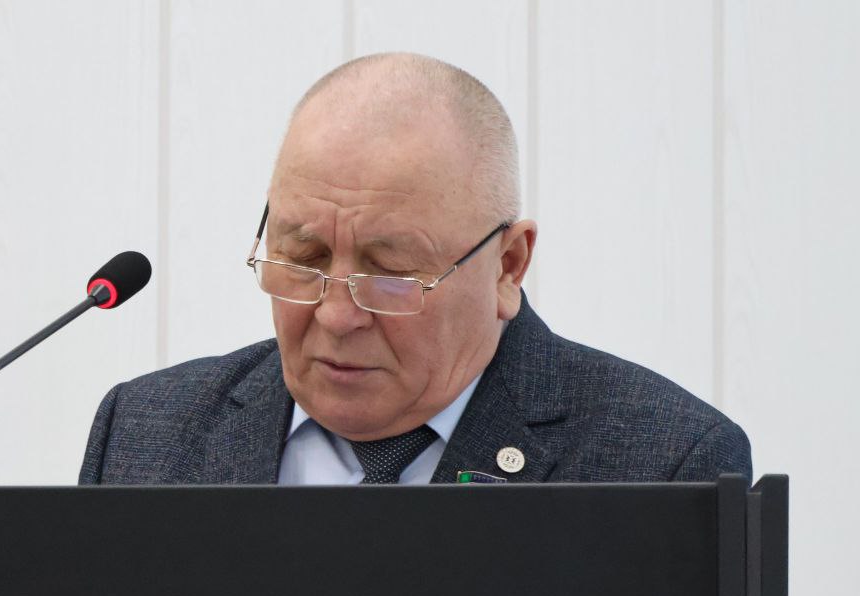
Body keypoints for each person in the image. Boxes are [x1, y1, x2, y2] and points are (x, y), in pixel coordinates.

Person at [80, 53, 751, 486]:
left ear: (508, 266)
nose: (337, 316)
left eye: (390, 273)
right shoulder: (144, 437)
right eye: (304, 259)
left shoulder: (664, 466)